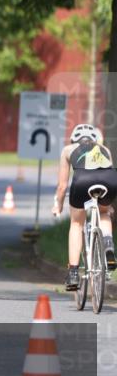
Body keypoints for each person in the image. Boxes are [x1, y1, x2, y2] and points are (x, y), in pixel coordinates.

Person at [52, 123, 117, 291]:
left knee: (76, 224)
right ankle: (108, 244)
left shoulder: (68, 149)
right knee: (104, 213)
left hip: (83, 181)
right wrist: (108, 205)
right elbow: (108, 171)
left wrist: (58, 205)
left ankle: (73, 273)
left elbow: (62, 186)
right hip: (109, 180)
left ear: (74, 138)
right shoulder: (104, 149)